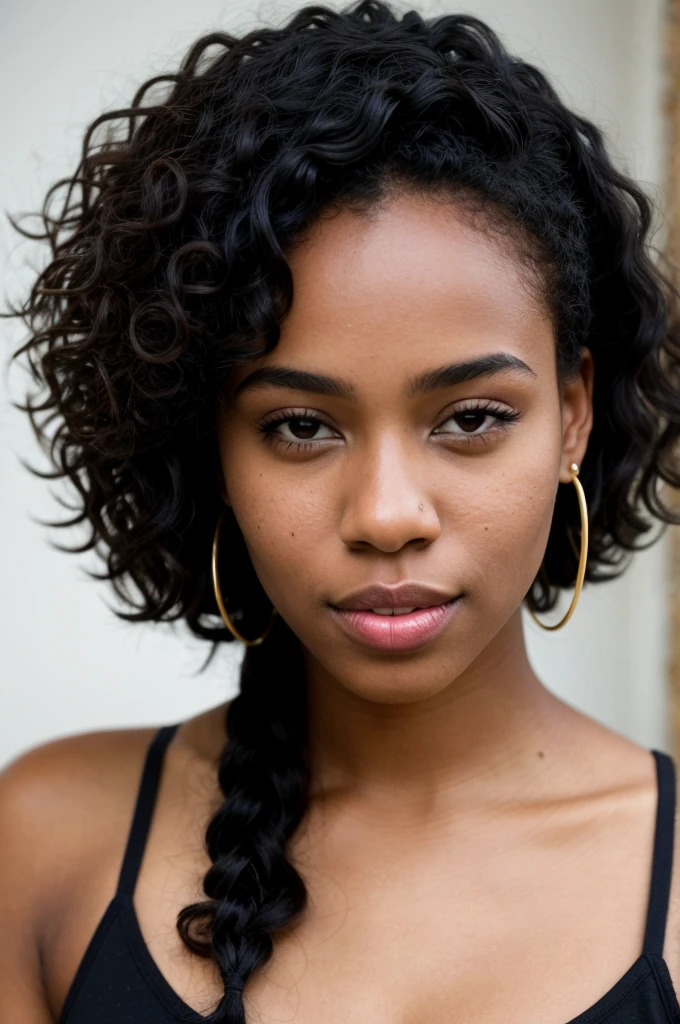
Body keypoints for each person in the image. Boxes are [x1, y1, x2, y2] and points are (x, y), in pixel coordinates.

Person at [3, 1, 680, 1021]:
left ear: (572, 415)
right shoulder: (46, 838)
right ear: (213, 446)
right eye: (299, 428)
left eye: (468, 418)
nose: (386, 513)